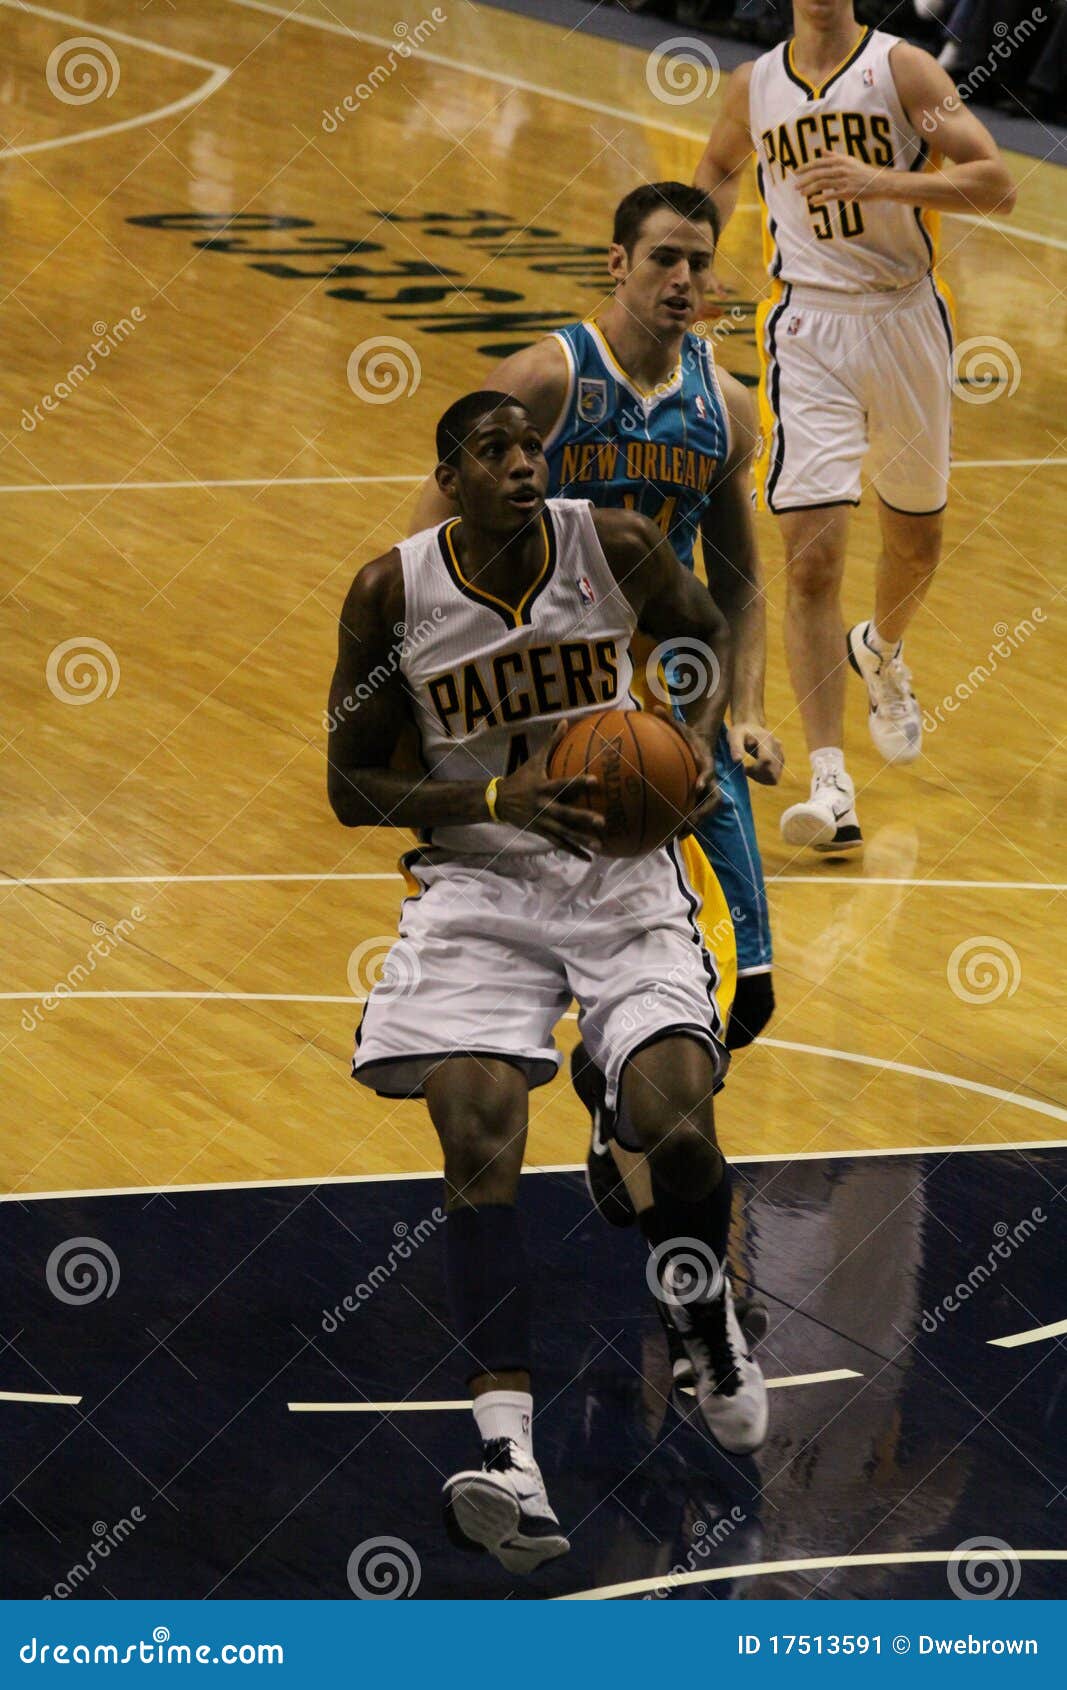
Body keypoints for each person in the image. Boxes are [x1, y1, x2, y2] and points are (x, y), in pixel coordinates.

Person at [329, 391, 768, 1574]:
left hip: (618, 881)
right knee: (476, 1124)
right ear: (449, 475)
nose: (524, 464)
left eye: (531, 448)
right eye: (495, 452)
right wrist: (489, 800)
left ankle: (699, 1310)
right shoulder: (389, 593)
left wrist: (688, 730)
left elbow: (694, 628)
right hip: (477, 886)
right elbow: (348, 784)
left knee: (673, 1128)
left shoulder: (611, 544)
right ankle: (507, 1453)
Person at [411, 184, 783, 1378]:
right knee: (541, 953)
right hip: (538, 711)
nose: (683, 282)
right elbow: (423, 538)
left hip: (656, 722)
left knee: (750, 991)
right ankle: (692, 1307)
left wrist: (736, 704)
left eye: (700, 264)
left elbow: (734, 578)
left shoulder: (720, 410)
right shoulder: (548, 378)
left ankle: (616, 1091)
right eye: (663, 260)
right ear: (616, 263)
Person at [695, 0, 1016, 851]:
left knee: (915, 543)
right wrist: (695, 264)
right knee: (812, 556)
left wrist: (885, 182)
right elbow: (716, 175)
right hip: (804, 325)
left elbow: (996, 182)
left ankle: (880, 647)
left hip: (907, 317)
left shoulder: (905, 70)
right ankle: (830, 786)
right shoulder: (751, 86)